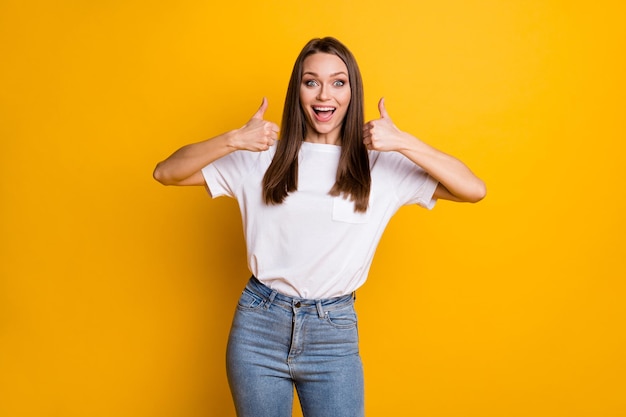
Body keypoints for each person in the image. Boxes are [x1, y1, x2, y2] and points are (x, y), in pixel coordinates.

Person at [153, 36, 485, 417]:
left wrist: (403, 142)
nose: (324, 94)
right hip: (259, 327)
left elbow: (473, 189)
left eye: (338, 82)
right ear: (298, 91)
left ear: (352, 91)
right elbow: (166, 172)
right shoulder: (261, 158)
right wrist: (234, 140)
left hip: (333, 333)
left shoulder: (379, 166)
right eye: (311, 82)